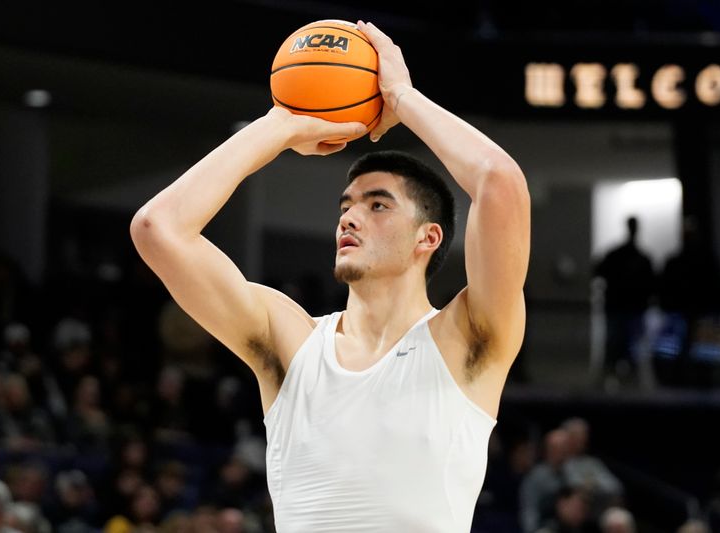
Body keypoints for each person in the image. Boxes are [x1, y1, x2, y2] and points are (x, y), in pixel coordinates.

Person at [130, 20, 530, 533]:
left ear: (427, 238)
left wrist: (404, 99)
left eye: (378, 204)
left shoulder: (468, 335)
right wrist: (279, 125)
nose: (349, 217)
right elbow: (157, 228)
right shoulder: (291, 340)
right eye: (346, 205)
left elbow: (498, 183)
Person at [594, 216, 655, 386]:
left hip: (630, 310)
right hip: (621, 309)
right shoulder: (623, 256)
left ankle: (626, 382)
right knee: (616, 348)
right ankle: (610, 382)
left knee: (631, 350)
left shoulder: (636, 257)